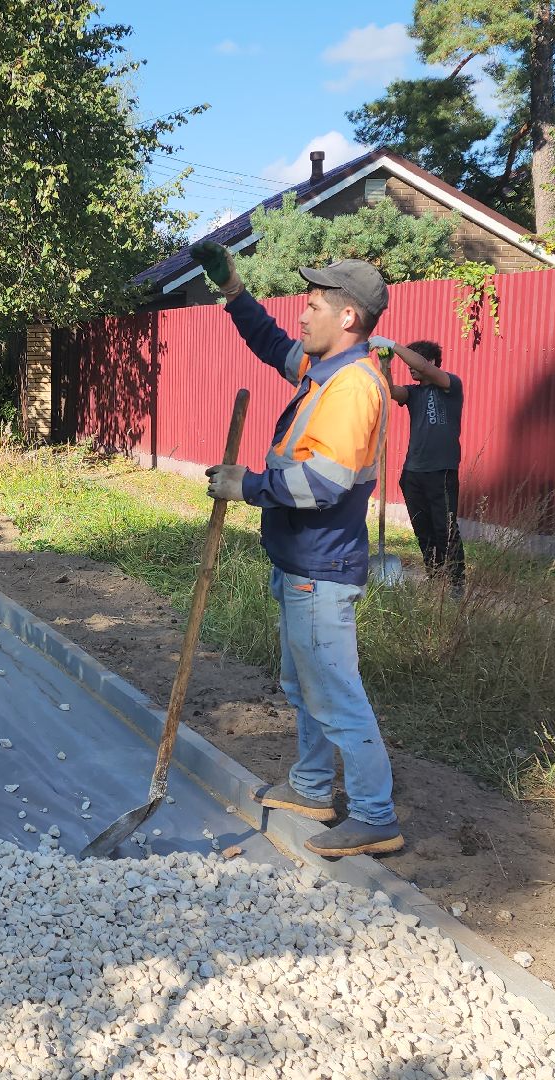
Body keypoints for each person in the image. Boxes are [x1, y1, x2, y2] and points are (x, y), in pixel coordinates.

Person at [191, 242, 405, 857]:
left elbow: (320, 484)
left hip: (322, 568)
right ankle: (312, 786)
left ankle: (374, 814)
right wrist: (233, 291)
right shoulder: (324, 375)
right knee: (306, 685)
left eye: (313, 305)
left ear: (348, 319)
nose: (302, 315)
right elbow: (267, 341)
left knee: (335, 694)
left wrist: (246, 485)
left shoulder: (353, 389)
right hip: (300, 564)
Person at [372, 337, 465, 594]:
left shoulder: (450, 385)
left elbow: (423, 368)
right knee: (422, 529)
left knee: (445, 527)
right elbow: (390, 391)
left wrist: (393, 344)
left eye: (414, 361)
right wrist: (386, 364)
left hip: (442, 470)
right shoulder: (413, 393)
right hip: (413, 472)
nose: (410, 368)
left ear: (430, 361)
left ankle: (456, 582)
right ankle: (434, 575)